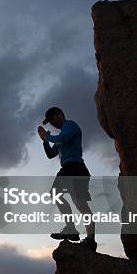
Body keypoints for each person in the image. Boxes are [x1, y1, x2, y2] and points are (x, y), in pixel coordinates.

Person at [38, 107, 97, 251]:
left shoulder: (70, 126)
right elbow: (51, 154)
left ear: (59, 115)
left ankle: (88, 238)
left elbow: (63, 138)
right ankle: (73, 230)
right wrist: (45, 141)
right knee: (70, 200)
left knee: (81, 205)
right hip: (72, 169)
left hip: (74, 167)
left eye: (52, 119)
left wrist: (47, 136)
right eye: (49, 122)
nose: (51, 123)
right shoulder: (61, 135)